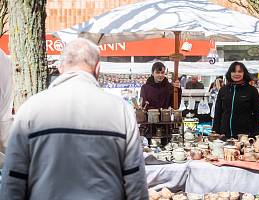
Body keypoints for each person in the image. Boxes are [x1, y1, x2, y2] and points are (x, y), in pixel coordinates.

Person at [0, 38, 148, 200]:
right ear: (98, 69)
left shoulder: (30, 109)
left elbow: (13, 178)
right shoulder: (121, 111)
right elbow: (135, 181)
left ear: (60, 67)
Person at [212, 61, 259, 139]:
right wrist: (215, 131)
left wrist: (256, 133)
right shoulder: (223, 90)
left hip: (245, 135)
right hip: (224, 134)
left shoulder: (252, 91)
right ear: (230, 73)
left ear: (244, 73)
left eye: (239, 71)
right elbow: (218, 113)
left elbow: (258, 114)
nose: (236, 74)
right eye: (234, 71)